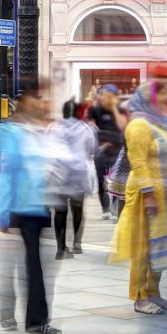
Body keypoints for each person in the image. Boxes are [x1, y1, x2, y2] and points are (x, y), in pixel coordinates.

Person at [0, 90, 63, 334]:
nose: (42, 106)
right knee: (33, 265)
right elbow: (5, 175)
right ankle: (35, 321)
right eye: (36, 103)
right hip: (24, 206)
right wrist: (3, 213)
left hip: (38, 205)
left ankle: (9, 314)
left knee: (26, 263)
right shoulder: (15, 135)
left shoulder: (38, 132)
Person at [112, 84, 167, 317]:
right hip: (145, 195)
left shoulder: (160, 123)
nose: (164, 98)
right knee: (143, 246)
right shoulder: (139, 124)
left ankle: (153, 292)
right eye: (159, 93)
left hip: (165, 194)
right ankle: (139, 296)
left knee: (159, 244)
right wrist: (149, 193)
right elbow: (138, 161)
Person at [51, 99, 96, 258]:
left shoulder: (54, 128)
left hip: (60, 175)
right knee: (78, 209)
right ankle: (77, 244)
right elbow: (91, 149)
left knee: (60, 211)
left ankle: (60, 248)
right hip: (78, 175)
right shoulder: (85, 129)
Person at [89, 86, 124, 218]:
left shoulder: (120, 110)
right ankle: (105, 210)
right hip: (101, 149)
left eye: (108, 96)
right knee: (100, 180)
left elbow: (122, 127)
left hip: (117, 149)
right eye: (103, 95)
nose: (105, 98)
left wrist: (114, 108)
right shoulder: (95, 109)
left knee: (116, 180)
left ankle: (115, 210)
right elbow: (92, 127)